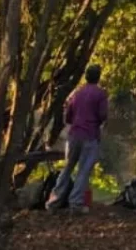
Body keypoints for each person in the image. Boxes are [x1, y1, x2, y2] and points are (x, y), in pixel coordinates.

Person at [47, 64, 109, 213]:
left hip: (73, 135)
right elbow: (103, 115)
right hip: (90, 136)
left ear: (86, 76)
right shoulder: (100, 94)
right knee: (84, 170)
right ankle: (76, 203)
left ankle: (53, 202)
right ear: (98, 77)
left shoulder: (77, 93)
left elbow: (68, 116)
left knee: (67, 167)